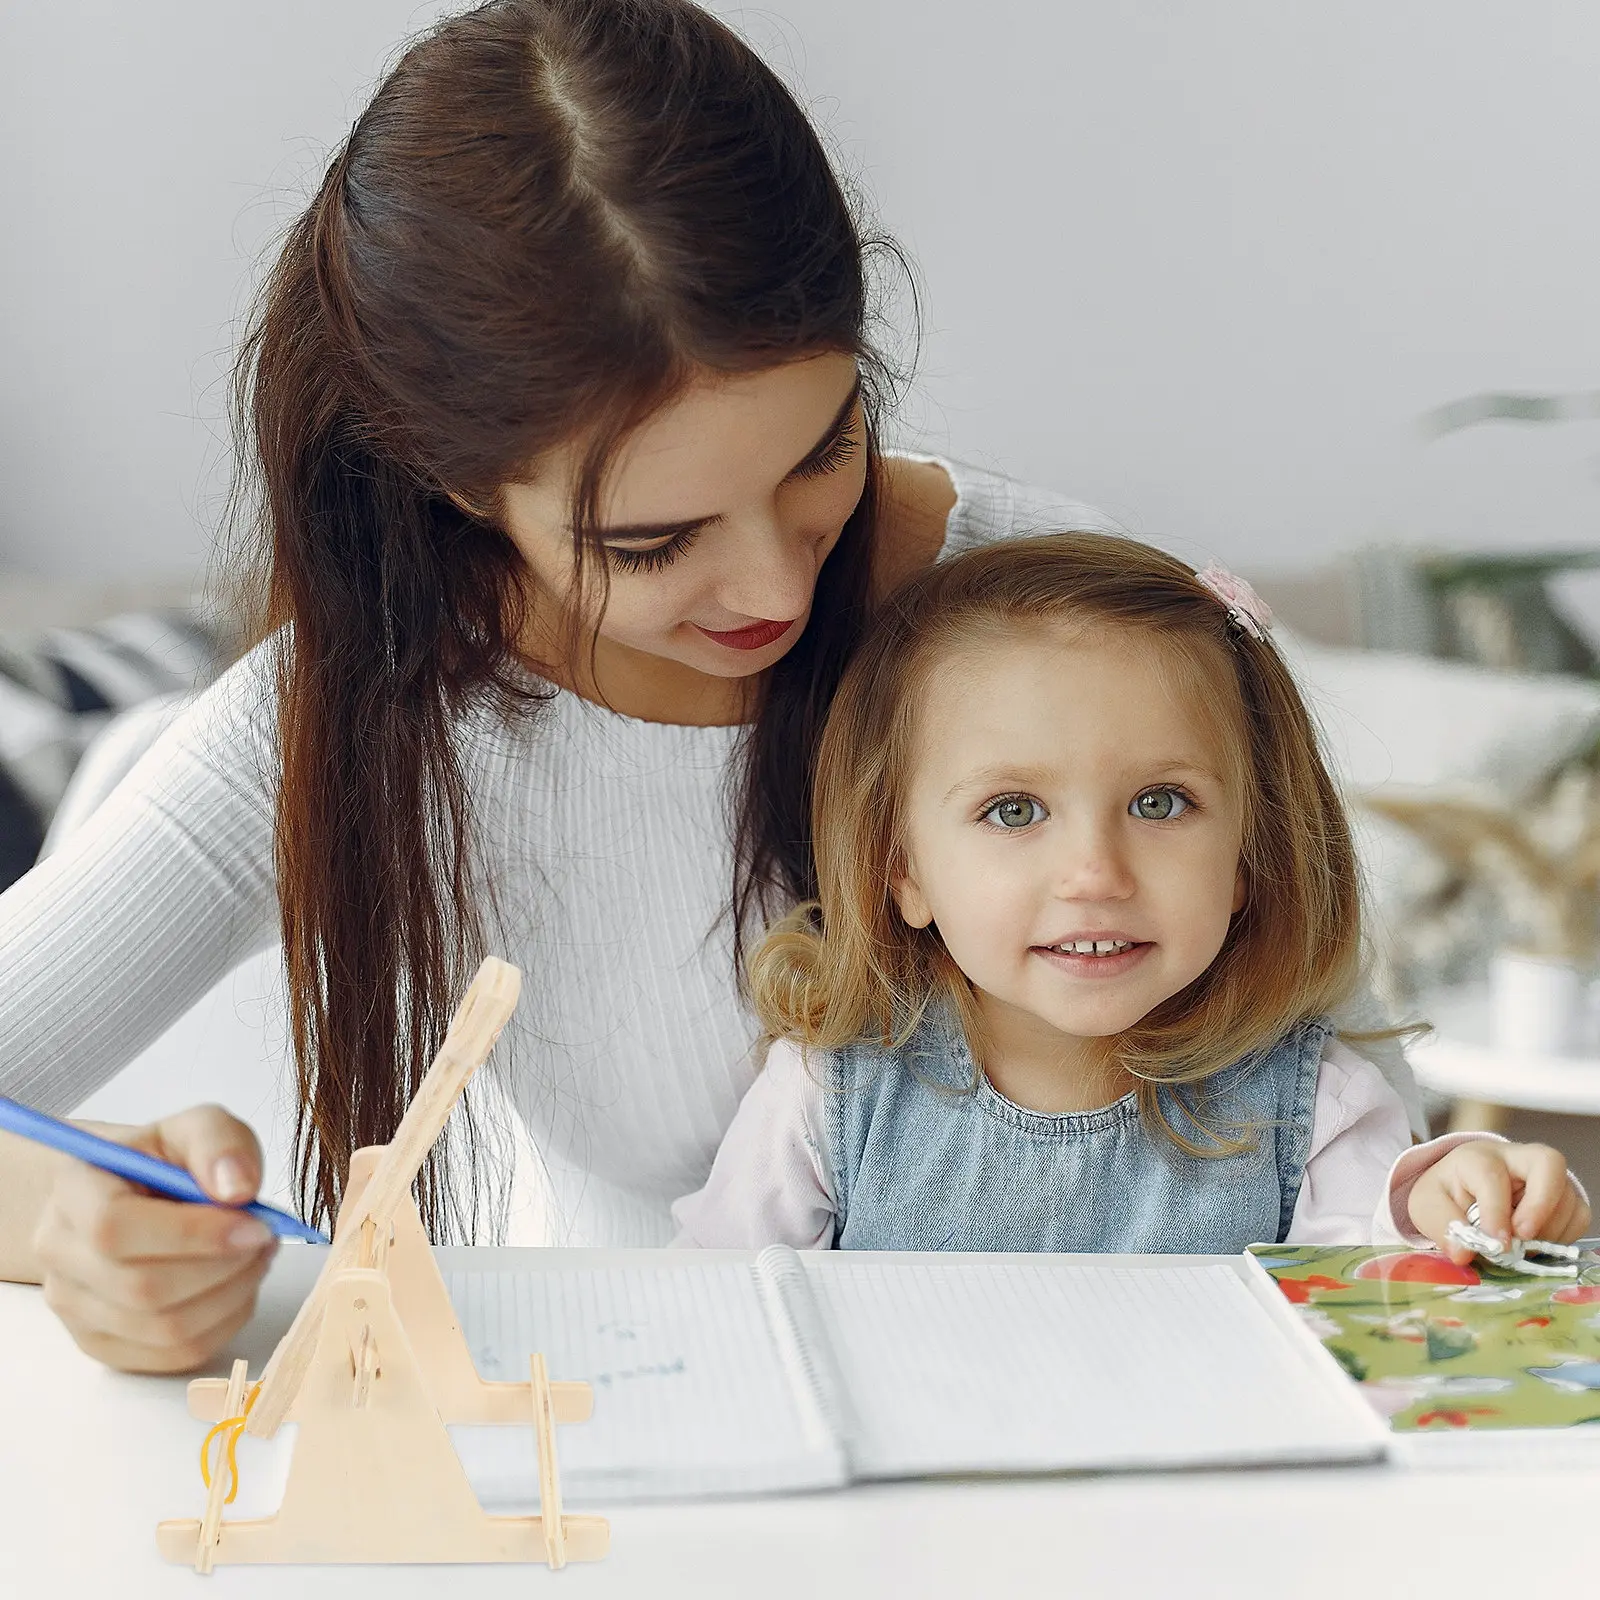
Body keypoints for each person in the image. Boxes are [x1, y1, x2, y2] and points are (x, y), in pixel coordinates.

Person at [0, 0, 1413, 1375]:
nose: (780, 596)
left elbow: (1341, 1114)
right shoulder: (346, 722)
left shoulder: (1098, 629)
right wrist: (73, 1227)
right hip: (660, 1447)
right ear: (452, 478)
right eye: (649, 542)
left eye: (820, 455)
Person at [672, 534, 1591, 1255]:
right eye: (1013, 809)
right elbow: (713, 1315)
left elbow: (1389, 1294)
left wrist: (1471, 1200)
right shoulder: (831, 1091)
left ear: (1247, 858)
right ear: (900, 869)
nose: (1096, 874)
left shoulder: (1317, 1107)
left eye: (1161, 803)